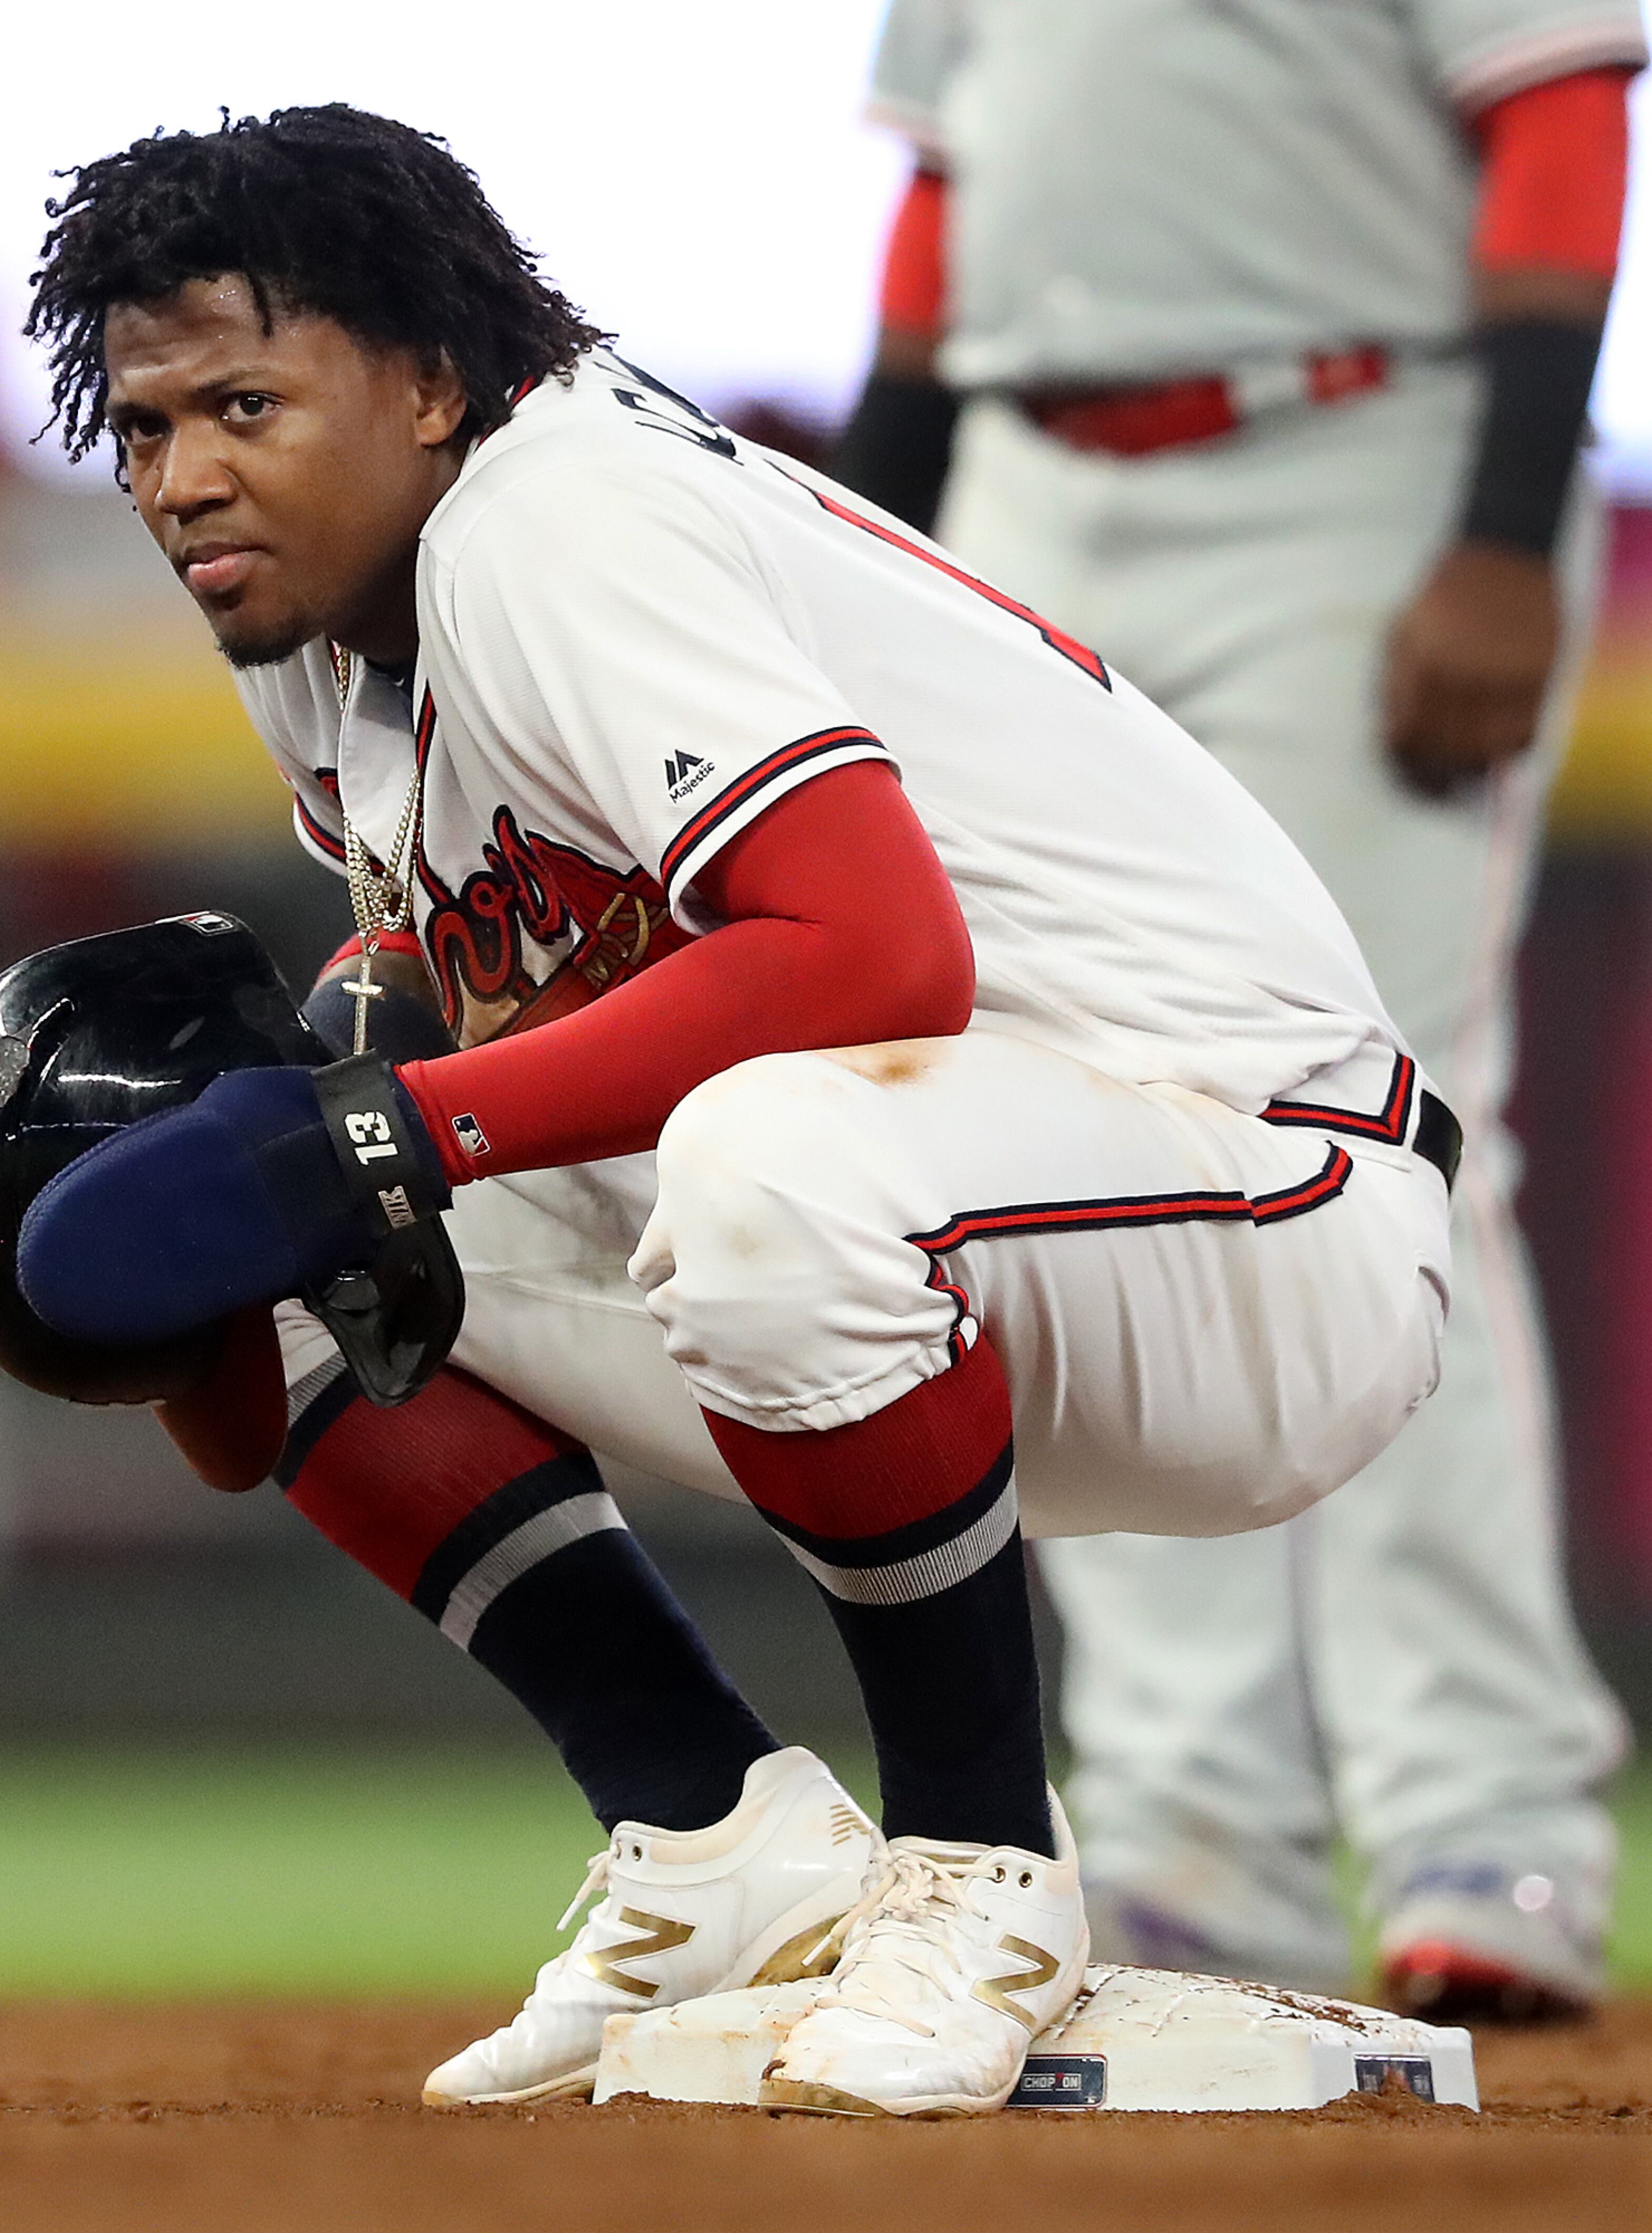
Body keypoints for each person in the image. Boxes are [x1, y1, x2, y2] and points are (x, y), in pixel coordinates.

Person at [8, 104, 1454, 2115]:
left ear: (429, 385)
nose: (182, 478)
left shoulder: (554, 513)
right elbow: (483, 985)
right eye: (146, 428)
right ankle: (712, 1842)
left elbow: (873, 960)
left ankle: (979, 1871)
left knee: (738, 1161)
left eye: (243, 402)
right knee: (251, 1145)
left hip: (1270, 1199)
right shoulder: (323, 612)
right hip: (989, 1203)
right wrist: (281, 1138)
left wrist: (372, 1135)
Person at [832, 0, 1641, 2018]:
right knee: (1062, 1152)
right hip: (1029, 485)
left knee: (1403, 1135)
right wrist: (860, 564)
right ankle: (1198, 1835)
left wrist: (1502, 524)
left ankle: (1487, 1818)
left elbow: (1560, 119)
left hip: (1359, 460)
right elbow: (943, 206)